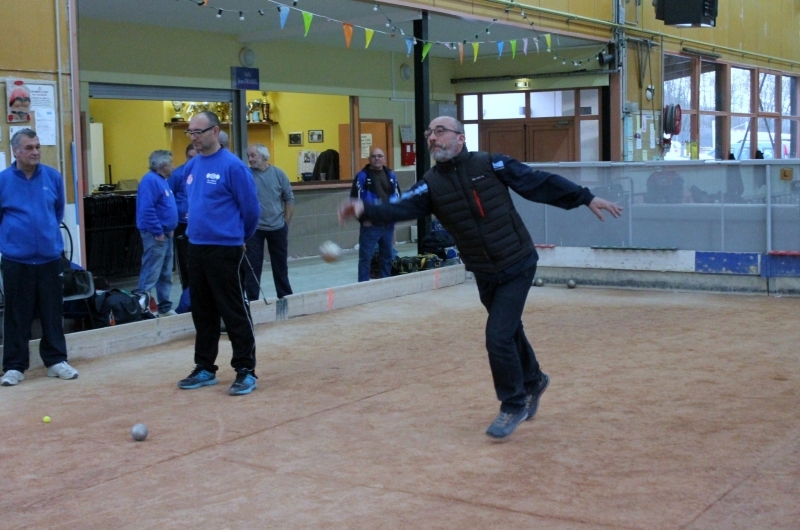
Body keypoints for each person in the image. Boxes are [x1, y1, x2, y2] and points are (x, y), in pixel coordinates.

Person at [339, 116, 623, 439]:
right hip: (484, 270)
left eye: (440, 131)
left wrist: (584, 197)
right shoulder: (430, 184)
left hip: (517, 261)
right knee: (510, 329)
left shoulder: (492, 164)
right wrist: (364, 209)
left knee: (498, 335)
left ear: (460, 138)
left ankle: (513, 403)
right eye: (429, 133)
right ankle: (534, 380)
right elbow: (397, 207)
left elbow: (537, 182)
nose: (432, 137)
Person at [178, 111, 261, 396]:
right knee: (202, 312)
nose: (194, 137)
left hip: (226, 249)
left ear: (215, 132)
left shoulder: (233, 167)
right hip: (196, 247)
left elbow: (251, 211)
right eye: (190, 132)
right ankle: (204, 368)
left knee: (234, 309)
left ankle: (246, 370)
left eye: (198, 132)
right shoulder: (191, 167)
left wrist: (239, 237)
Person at [0, 129, 78, 386]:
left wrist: (44, 237)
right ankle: (14, 366)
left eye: (37, 146)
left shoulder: (53, 177)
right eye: (29, 147)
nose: (35, 151)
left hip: (49, 259)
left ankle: (56, 361)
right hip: (16, 260)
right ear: (16, 151)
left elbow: (57, 213)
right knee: (16, 314)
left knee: (52, 312)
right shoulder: (3, 181)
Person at [244, 144, 294, 300]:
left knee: (280, 266)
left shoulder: (278, 174)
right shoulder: (247, 175)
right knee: (252, 267)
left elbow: (289, 199)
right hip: (255, 230)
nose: (250, 159)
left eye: (253, 156)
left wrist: (285, 223)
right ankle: (252, 300)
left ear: (264, 157)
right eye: (249, 156)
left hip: (278, 227)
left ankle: (285, 297)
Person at [136, 150, 179, 316]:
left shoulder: (162, 180)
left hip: (166, 233)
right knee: (151, 271)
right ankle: (142, 307)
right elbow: (147, 209)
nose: (173, 167)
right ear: (162, 165)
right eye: (171, 163)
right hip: (156, 235)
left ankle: (164, 306)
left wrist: (170, 228)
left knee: (165, 273)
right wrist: (158, 231)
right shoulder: (150, 181)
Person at [350, 148, 400, 281]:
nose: (377, 158)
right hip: (370, 226)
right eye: (373, 156)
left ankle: (385, 284)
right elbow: (355, 200)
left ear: (384, 158)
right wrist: (363, 220)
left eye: (380, 156)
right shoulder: (362, 176)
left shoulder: (391, 176)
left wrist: (394, 220)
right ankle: (363, 287)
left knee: (387, 257)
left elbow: (397, 198)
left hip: (387, 225)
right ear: (369, 159)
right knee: (365, 259)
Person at [168, 143, 197, 290]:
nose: (192, 160)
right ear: (186, 156)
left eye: (195, 157)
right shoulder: (177, 174)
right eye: (190, 157)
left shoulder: (203, 173)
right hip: (181, 223)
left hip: (198, 223)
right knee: (185, 260)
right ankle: (187, 292)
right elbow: (168, 199)